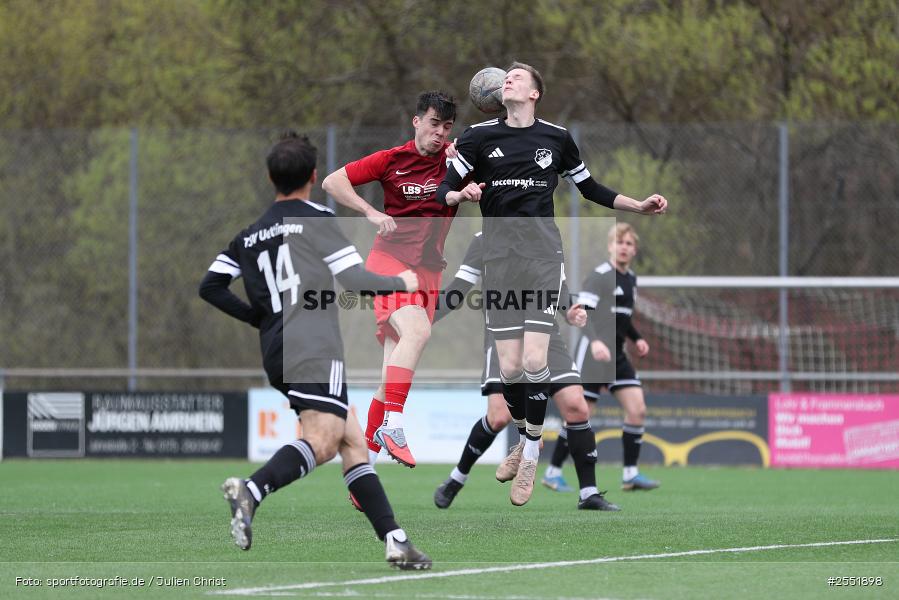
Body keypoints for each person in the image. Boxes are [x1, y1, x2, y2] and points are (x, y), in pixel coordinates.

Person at [436, 62, 667, 505]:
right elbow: (444, 188)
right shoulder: (478, 138)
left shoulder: (556, 138)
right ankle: (527, 439)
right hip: (500, 261)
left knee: (537, 359)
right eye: (506, 78)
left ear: (535, 93)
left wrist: (635, 205)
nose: (509, 80)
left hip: (543, 257)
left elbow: (590, 188)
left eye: (518, 77)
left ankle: (532, 451)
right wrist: (458, 194)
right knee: (509, 371)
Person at [199, 131, 431, 569]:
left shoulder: (249, 235)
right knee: (323, 441)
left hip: (276, 348)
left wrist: (258, 317)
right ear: (313, 175)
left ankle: (396, 540)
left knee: (351, 440)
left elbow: (210, 285)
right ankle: (252, 490)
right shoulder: (318, 219)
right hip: (313, 344)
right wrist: (402, 282)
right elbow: (356, 281)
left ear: (271, 177)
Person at [430, 231, 620, 511]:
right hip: (503, 335)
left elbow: (560, 288)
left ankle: (588, 493)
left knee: (577, 407)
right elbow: (459, 289)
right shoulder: (484, 240)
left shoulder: (546, 236)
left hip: (545, 335)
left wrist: (570, 311)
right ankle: (457, 478)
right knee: (498, 417)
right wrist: (422, 317)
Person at [322, 91, 459, 468]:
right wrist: (369, 211)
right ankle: (393, 426)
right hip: (390, 264)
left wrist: (468, 175)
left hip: (430, 270)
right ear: (416, 122)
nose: (440, 134)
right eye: (434, 124)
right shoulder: (391, 160)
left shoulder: (456, 161)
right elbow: (333, 183)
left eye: (446, 127)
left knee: (389, 379)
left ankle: (360, 469)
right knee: (417, 333)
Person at [547, 223, 659, 491]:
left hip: (616, 355)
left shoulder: (631, 279)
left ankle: (630, 474)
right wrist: (596, 342)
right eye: (619, 242)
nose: (623, 247)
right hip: (593, 354)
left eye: (629, 243)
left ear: (634, 250)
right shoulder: (599, 276)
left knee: (638, 410)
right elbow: (584, 314)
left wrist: (637, 338)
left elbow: (623, 317)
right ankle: (552, 472)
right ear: (610, 246)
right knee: (580, 415)